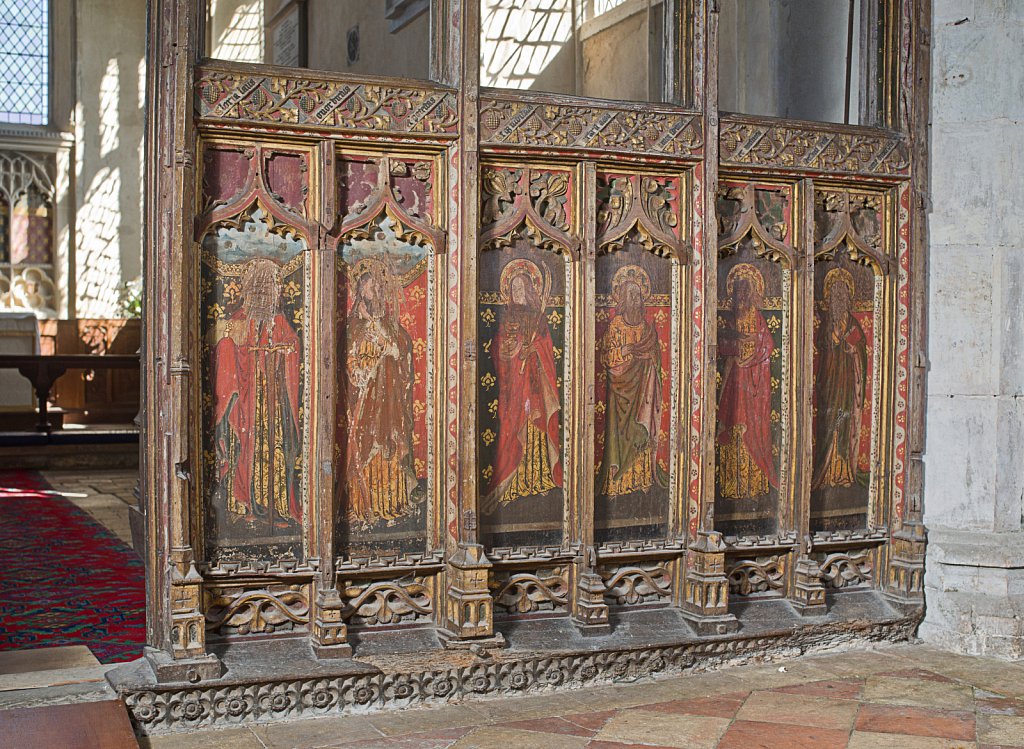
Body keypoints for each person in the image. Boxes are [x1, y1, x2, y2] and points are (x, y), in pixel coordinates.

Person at [211, 257, 303, 527]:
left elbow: (293, 348)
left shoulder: (279, 322)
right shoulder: (239, 321)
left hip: (274, 404)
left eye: (272, 289)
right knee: (245, 450)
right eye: (263, 288)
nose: (268, 294)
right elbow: (227, 352)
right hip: (247, 404)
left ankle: (276, 506)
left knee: (277, 451)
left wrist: (283, 353)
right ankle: (246, 502)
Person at [343, 258, 418, 526]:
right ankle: (362, 508)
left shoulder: (390, 326)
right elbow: (351, 365)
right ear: (360, 291)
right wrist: (365, 370)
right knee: (363, 446)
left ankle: (392, 503)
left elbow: (400, 352)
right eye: (369, 286)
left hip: (390, 403)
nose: (374, 291)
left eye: (377, 286)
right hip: (364, 403)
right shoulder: (353, 327)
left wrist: (383, 343)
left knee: (390, 445)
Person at [483, 258, 562, 512]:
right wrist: (517, 349)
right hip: (514, 387)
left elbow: (547, 349)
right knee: (513, 427)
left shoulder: (539, 319)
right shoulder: (506, 317)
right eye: (513, 289)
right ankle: (513, 482)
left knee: (537, 428)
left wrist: (535, 350)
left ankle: (539, 479)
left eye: (521, 288)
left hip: (536, 384)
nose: (518, 293)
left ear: (529, 291)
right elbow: (497, 349)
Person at [597, 264, 667, 497]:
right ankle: (618, 482)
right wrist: (626, 351)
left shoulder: (646, 328)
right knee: (620, 436)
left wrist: (647, 356)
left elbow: (655, 357)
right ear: (623, 300)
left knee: (640, 430)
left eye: (638, 296)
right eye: (631, 296)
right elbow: (606, 357)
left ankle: (639, 480)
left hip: (642, 392)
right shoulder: (616, 326)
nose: (635, 300)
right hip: (620, 393)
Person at [716, 263, 779, 499]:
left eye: (745, 291)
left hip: (754, 382)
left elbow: (768, 345)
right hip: (734, 379)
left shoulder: (758, 318)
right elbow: (722, 347)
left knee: (752, 427)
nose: (741, 296)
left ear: (752, 294)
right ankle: (733, 486)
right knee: (733, 424)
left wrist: (750, 353)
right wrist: (736, 343)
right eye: (738, 292)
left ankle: (754, 484)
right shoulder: (731, 320)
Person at [812, 267, 868, 490]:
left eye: (842, 295)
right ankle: (825, 472)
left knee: (844, 424)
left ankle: (843, 473)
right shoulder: (827, 322)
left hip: (846, 381)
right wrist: (835, 337)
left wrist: (853, 347)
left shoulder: (852, 322)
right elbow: (822, 343)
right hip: (829, 380)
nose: (839, 299)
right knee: (828, 424)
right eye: (835, 295)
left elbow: (861, 348)